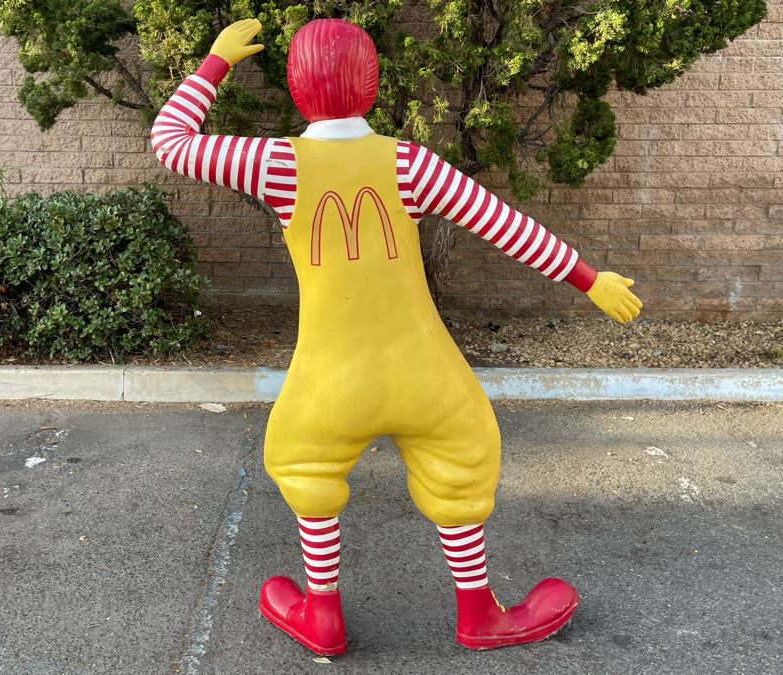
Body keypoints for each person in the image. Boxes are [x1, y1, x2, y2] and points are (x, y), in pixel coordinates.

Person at [151, 17, 642, 656]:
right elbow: (506, 226)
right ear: (373, 86)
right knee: (461, 463)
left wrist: (215, 62)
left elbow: (169, 141)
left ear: (298, 91)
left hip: (331, 382)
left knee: (307, 465)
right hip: (425, 376)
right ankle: (480, 614)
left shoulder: (276, 164)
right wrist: (590, 279)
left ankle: (322, 614)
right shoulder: (408, 162)